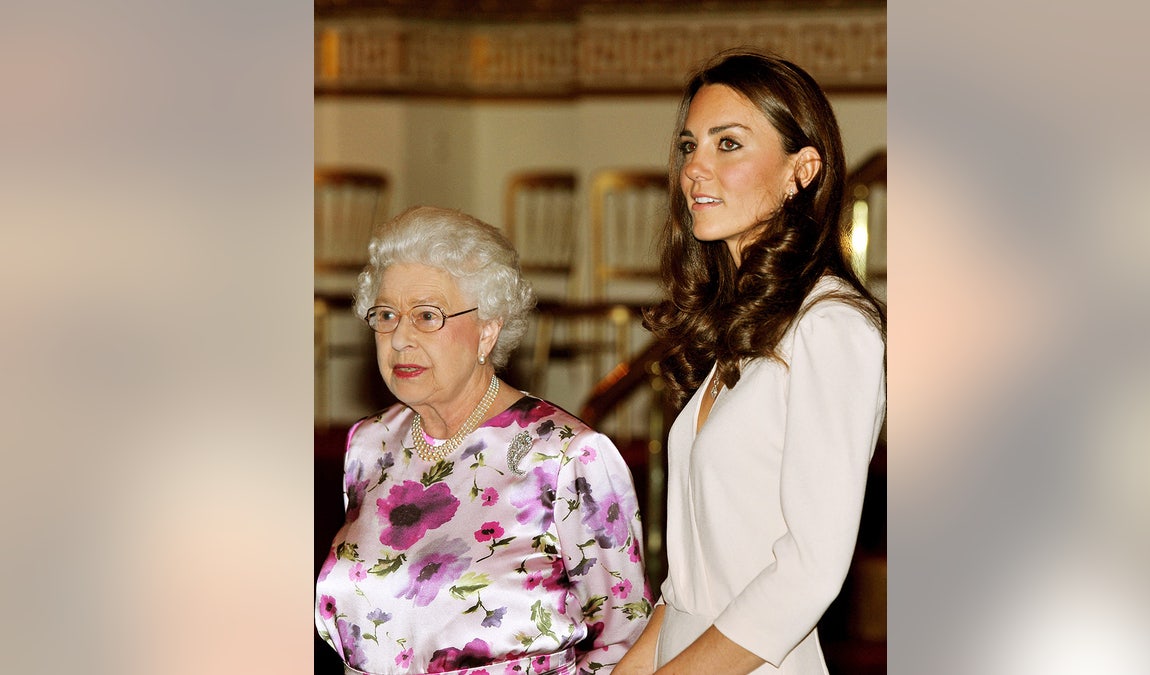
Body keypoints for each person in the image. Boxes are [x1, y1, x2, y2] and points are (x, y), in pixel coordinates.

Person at [614, 49, 886, 675]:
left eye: (729, 144)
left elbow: (810, 570)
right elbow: (690, 589)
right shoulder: (741, 325)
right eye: (690, 146)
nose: (694, 169)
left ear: (802, 171)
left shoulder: (832, 327)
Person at [316, 205, 651, 675]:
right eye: (386, 314)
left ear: (487, 331)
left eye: (427, 316)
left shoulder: (567, 456)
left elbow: (625, 639)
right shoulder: (370, 445)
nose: (400, 338)